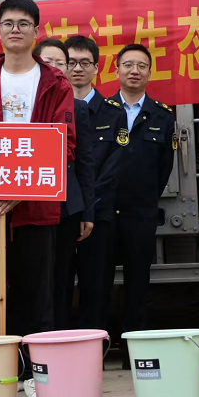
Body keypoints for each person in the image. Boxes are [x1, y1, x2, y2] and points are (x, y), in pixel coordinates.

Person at [0, 0, 76, 397]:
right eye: (7, 22)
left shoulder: (56, 85)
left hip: (38, 203)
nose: (15, 29)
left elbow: (65, 145)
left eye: (23, 23)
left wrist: (19, 189)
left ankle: (34, 376)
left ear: (36, 30)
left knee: (36, 293)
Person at [108, 44, 176, 337]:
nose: (134, 71)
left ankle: (133, 349)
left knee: (138, 282)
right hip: (104, 211)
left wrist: (144, 196)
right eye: (128, 65)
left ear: (150, 72)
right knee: (98, 282)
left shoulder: (163, 115)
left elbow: (164, 167)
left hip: (141, 212)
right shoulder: (101, 111)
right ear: (117, 70)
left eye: (141, 66)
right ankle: (99, 344)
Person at [34, 39, 95, 330]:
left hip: (66, 208)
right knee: (32, 278)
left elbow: (85, 163)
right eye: (49, 62)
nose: (56, 68)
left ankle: (57, 338)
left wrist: (87, 211)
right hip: (28, 205)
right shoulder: (22, 103)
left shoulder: (78, 108)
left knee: (60, 278)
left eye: (62, 63)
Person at [64, 35, 123, 330]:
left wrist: (87, 203)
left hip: (98, 214)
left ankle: (94, 347)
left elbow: (113, 168)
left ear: (96, 68)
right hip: (60, 213)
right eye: (71, 62)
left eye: (84, 63)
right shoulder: (50, 111)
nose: (77, 68)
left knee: (96, 285)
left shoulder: (114, 113)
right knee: (58, 284)